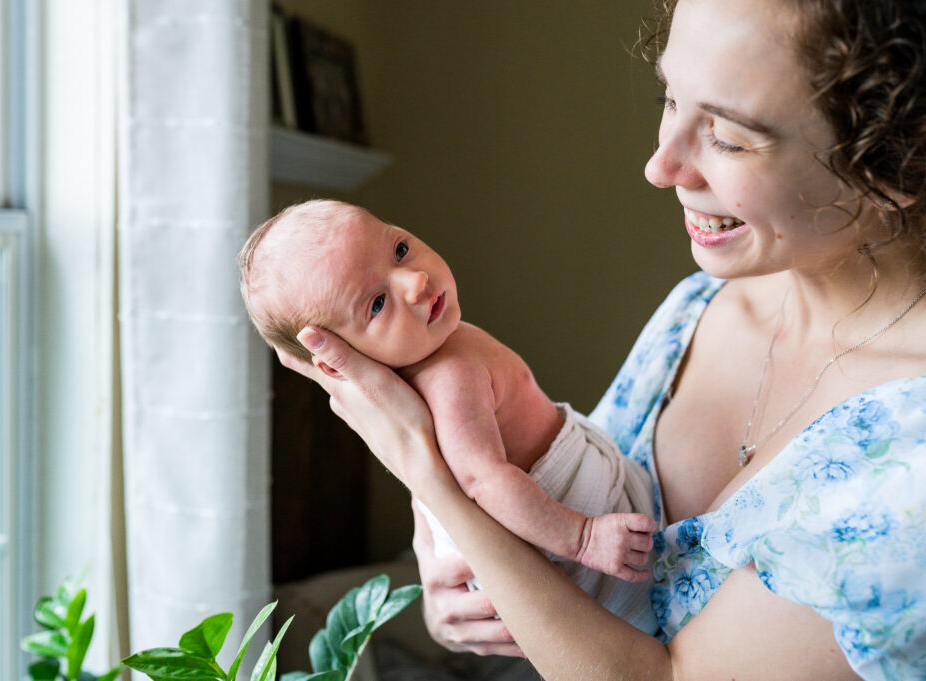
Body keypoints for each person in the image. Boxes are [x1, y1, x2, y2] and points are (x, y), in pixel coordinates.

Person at [276, 0, 926, 677]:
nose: (660, 165)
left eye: (729, 137)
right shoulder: (697, 309)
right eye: (669, 98)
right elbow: (550, 505)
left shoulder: (912, 463)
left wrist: (425, 470)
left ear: (899, 158)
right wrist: (462, 581)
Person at [238, 199, 659, 634]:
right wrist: (584, 537)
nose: (416, 281)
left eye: (399, 250)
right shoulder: (448, 375)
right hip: (565, 542)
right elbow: (483, 481)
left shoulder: (429, 360)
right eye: (377, 304)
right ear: (337, 360)